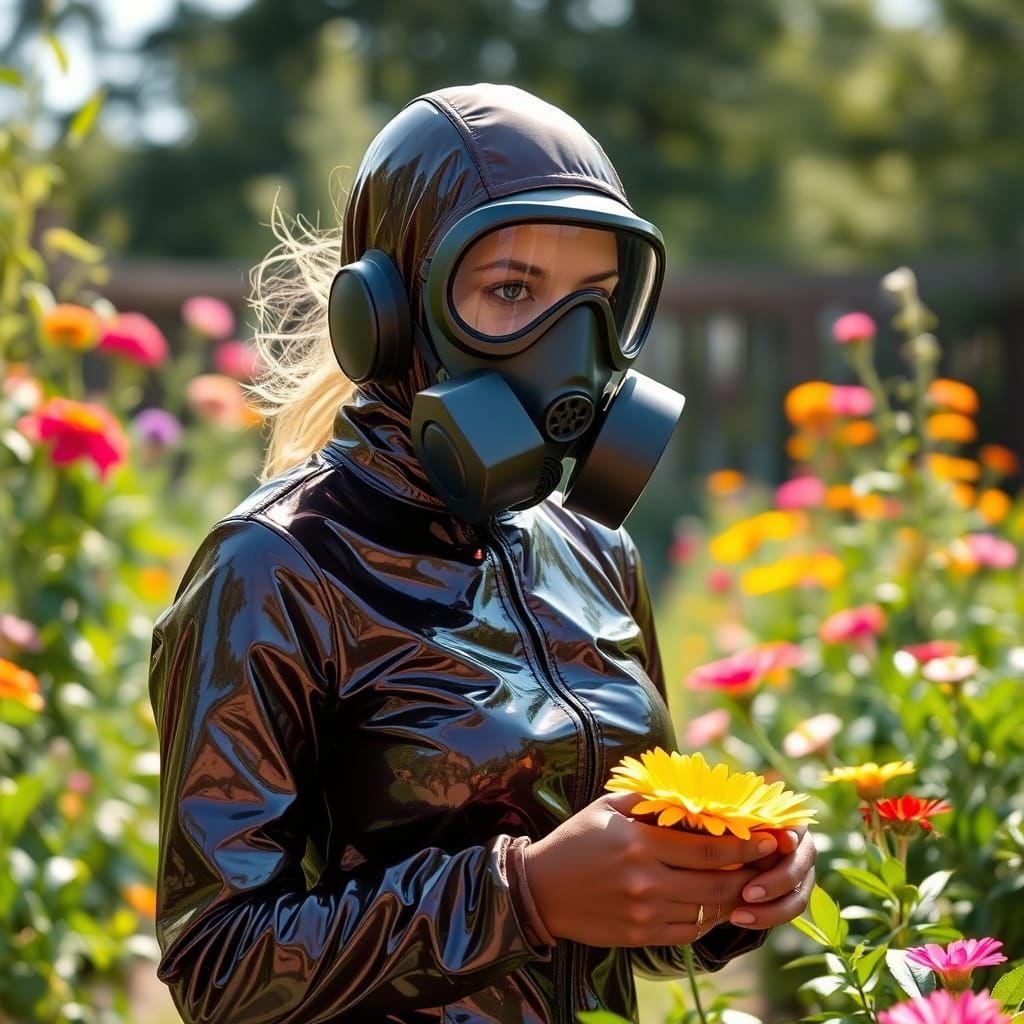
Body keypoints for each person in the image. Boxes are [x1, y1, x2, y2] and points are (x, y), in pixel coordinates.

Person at [148, 83, 816, 1024]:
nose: (571, 349)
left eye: (598, 300)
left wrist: (722, 889)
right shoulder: (273, 569)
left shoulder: (595, 550)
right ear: (385, 315)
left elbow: (624, 917)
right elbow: (219, 967)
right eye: (512, 290)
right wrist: (523, 897)